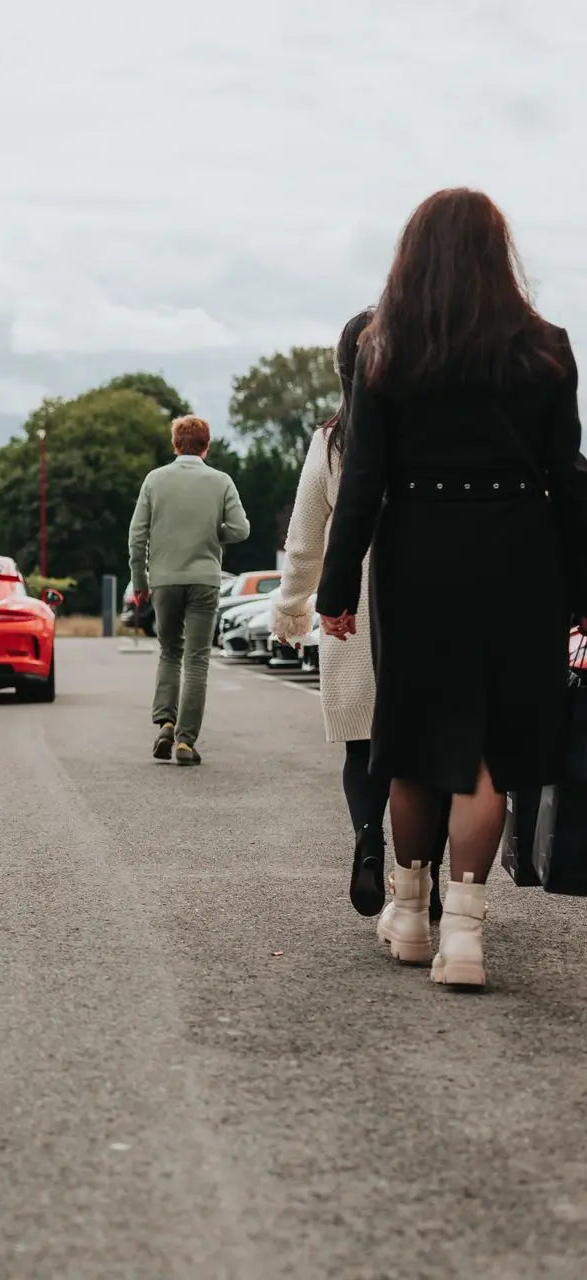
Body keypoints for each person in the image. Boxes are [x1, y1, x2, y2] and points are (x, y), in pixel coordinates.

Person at [318, 188, 587, 990]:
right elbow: (569, 479)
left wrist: (338, 587)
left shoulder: (384, 348)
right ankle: (464, 936)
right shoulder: (546, 348)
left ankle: (407, 916)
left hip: (417, 557)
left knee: (412, 736)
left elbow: (363, 480)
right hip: (518, 558)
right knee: (487, 755)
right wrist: (581, 589)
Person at [272, 311, 445, 921]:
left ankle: (368, 842)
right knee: (430, 751)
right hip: (423, 605)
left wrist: (292, 610)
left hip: (351, 613)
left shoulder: (333, 439)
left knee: (362, 747)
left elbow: (305, 538)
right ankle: (430, 881)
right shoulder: (436, 429)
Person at [128, 415, 251, 765]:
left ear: (175, 445)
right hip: (205, 579)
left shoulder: (155, 480)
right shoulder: (221, 481)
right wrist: (213, 533)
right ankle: (185, 741)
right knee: (197, 659)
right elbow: (241, 529)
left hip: (164, 579)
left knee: (169, 651)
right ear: (206, 446)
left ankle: (166, 721)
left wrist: (140, 582)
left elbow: (137, 537)